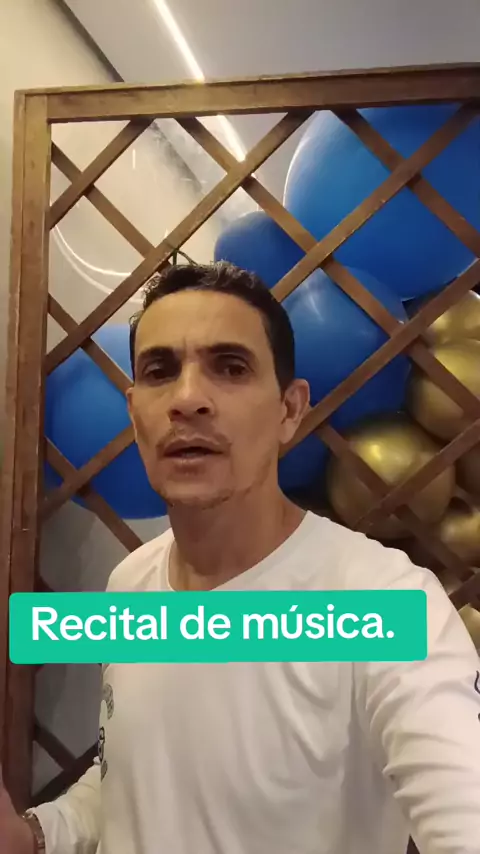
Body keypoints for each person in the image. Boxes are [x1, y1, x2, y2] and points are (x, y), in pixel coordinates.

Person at [2, 262, 480, 854]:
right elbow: (130, 775)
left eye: (230, 367)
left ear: (289, 411)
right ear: (134, 412)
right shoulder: (131, 583)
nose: (187, 399)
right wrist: (35, 834)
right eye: (160, 371)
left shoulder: (386, 604)